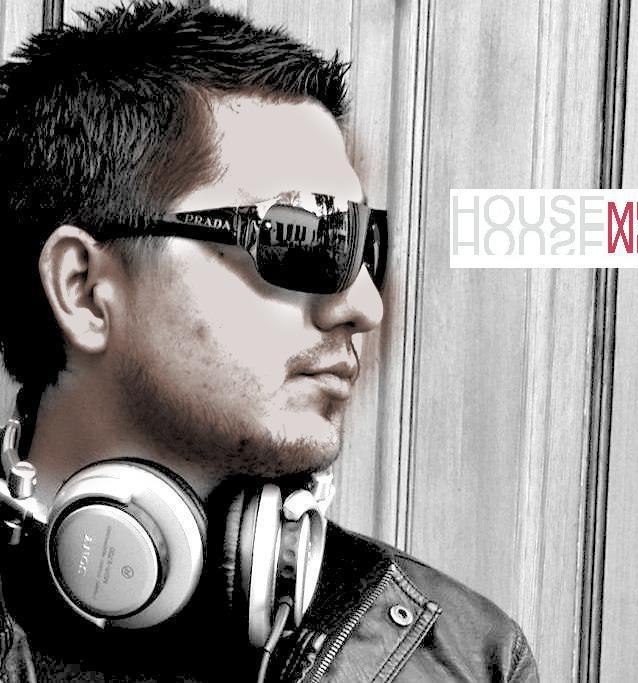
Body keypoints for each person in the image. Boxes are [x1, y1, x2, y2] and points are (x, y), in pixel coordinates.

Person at [0, 3, 538, 681]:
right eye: (304, 238)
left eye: (364, 247)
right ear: (84, 288)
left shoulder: (465, 658)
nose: (363, 306)